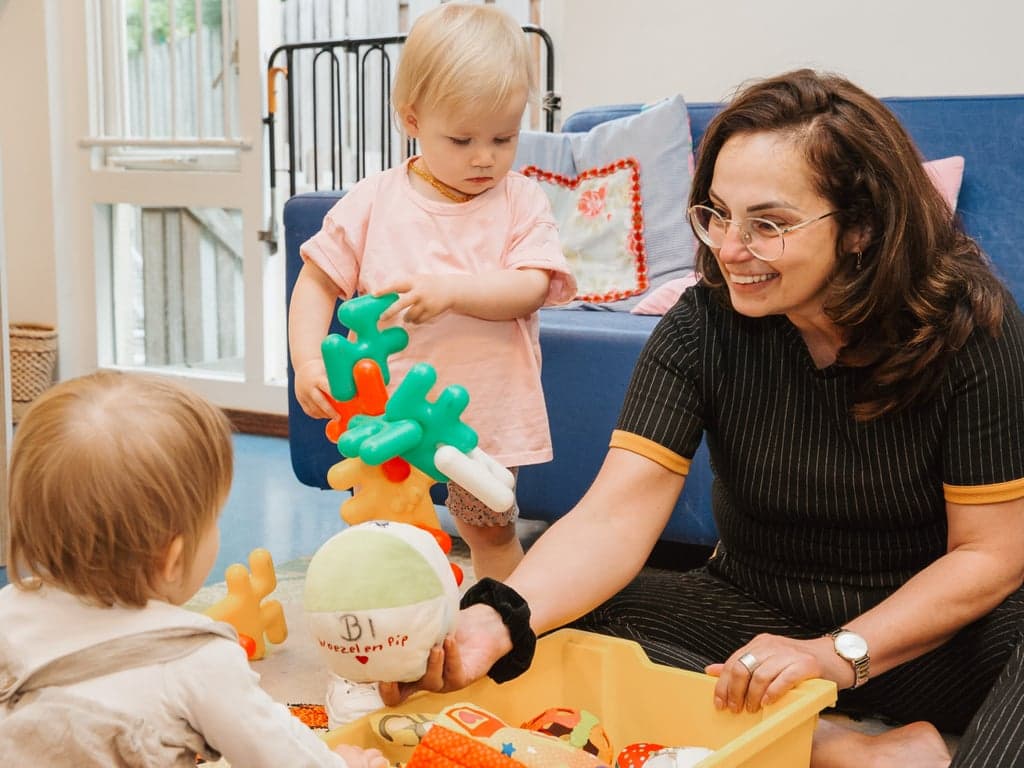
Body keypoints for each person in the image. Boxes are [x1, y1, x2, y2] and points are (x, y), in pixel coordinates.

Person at [380, 70, 1024, 768]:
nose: (729, 247)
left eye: (768, 224)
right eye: (716, 214)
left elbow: (990, 554)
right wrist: (493, 618)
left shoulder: (969, 326)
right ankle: (830, 745)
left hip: (932, 634)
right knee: (559, 608)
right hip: (753, 618)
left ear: (861, 228)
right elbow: (614, 516)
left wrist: (837, 656)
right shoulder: (702, 322)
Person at [289, 2, 575, 726]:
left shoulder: (518, 202)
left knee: (486, 533)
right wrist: (304, 362)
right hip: (388, 423)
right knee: (389, 533)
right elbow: (316, 282)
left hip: (479, 424)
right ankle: (378, 653)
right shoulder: (373, 201)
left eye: (504, 138)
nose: (486, 157)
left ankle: (504, 638)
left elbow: (532, 286)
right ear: (410, 116)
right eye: (464, 138)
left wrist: (451, 292)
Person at [0, 371, 388, 768]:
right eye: (213, 520)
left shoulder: (8, 610)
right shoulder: (196, 658)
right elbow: (279, 754)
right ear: (170, 559)